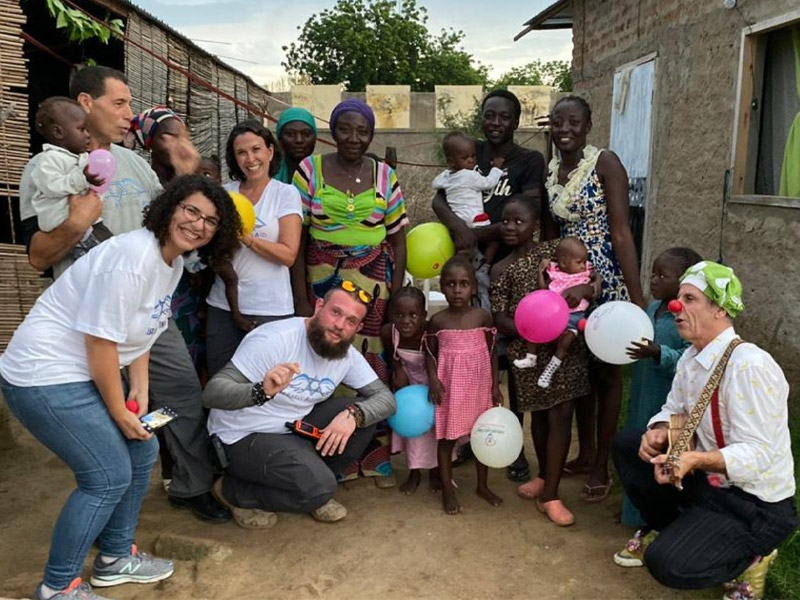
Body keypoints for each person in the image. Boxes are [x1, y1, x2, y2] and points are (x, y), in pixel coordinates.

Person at [0, 175, 240, 600]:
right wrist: (118, 410)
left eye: (210, 220)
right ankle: (58, 586)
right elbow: (100, 341)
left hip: (76, 372)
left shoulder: (172, 263)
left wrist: (140, 393)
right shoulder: (133, 258)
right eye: (191, 210)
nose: (198, 224)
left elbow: (143, 332)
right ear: (169, 207)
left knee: (142, 448)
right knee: (105, 476)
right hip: (43, 375)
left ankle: (113, 558)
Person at [19, 65, 231, 523]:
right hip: (90, 321)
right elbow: (37, 255)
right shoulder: (51, 170)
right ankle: (105, 510)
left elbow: (178, 225)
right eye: (120, 103)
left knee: (180, 399)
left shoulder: (134, 164)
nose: (129, 114)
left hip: (151, 313)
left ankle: (190, 486)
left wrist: (187, 172)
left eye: (131, 104)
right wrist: (78, 223)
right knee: (106, 420)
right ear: (86, 105)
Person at [611, 261, 797, 600]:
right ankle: (675, 526)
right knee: (628, 443)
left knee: (667, 564)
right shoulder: (691, 359)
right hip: (708, 482)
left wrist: (693, 459)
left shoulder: (750, 367)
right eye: (679, 297)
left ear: (721, 310)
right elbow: (676, 410)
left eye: (690, 298)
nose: (675, 306)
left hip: (753, 503)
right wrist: (661, 430)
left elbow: (760, 454)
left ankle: (755, 556)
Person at [203, 284, 396, 528]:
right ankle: (234, 492)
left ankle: (312, 484)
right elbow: (212, 393)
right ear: (319, 307)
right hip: (242, 435)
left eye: (350, 321)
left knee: (361, 415)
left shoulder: (345, 353)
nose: (340, 325)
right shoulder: (275, 339)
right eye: (335, 312)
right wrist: (261, 391)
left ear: (357, 329)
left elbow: (386, 399)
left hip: (291, 431)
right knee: (321, 487)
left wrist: (355, 415)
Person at [432, 89, 546, 482]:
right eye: (489, 115)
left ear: (516, 122)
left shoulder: (529, 161)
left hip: (511, 271)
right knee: (475, 360)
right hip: (471, 269)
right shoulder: (468, 152)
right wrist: (459, 227)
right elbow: (438, 199)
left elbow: (528, 213)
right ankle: (468, 438)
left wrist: (479, 235)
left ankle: (511, 445)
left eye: (504, 117)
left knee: (512, 361)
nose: (495, 123)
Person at [293, 98, 408, 485]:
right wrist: (300, 294)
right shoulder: (309, 171)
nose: (354, 138)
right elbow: (299, 236)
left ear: (371, 135)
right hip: (321, 278)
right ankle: (329, 454)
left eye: (363, 131)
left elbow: (399, 236)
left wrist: (393, 291)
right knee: (326, 356)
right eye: (345, 129)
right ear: (333, 132)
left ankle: (374, 456)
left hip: (374, 283)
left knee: (374, 362)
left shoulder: (384, 175)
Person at [545, 95, 645, 503]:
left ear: (588, 125)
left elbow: (621, 231)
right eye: (558, 122)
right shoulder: (551, 169)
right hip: (569, 283)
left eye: (574, 123)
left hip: (605, 280)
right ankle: (585, 453)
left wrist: (636, 298)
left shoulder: (605, 162)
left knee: (605, 373)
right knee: (578, 373)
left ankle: (602, 462)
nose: (565, 130)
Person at [490, 197, 597, 526]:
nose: (511, 227)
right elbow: (499, 314)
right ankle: (541, 477)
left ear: (535, 225)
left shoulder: (555, 251)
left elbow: (592, 278)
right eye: (505, 221)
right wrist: (528, 328)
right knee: (538, 416)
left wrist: (586, 293)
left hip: (566, 349)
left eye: (519, 221)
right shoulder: (500, 268)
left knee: (561, 416)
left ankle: (551, 493)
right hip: (529, 349)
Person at [205, 120, 303, 375]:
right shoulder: (224, 194)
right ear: (234, 158)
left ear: (270, 151)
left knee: (267, 384)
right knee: (221, 382)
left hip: (270, 309)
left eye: (256, 149)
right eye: (241, 152)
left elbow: (288, 255)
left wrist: (247, 238)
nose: (250, 158)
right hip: (223, 307)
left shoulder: (285, 194)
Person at [619, 247, 700, 527]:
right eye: (652, 273)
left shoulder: (687, 317)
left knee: (662, 457)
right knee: (636, 451)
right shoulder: (652, 310)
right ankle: (634, 517)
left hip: (668, 402)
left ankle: (662, 523)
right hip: (642, 394)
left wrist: (658, 354)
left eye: (661, 275)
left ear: (683, 281)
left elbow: (692, 360)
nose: (653, 280)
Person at [425, 255, 503, 515]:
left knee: (482, 437)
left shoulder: (483, 317)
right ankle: (448, 491)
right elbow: (429, 353)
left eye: (463, 284)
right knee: (447, 439)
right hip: (450, 389)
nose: (457, 290)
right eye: (450, 284)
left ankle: (483, 485)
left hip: (479, 386)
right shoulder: (438, 321)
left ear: (474, 287)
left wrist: (494, 385)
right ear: (441, 286)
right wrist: (434, 381)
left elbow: (492, 352)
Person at [28, 96, 111, 269]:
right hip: (61, 220)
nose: (88, 135)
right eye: (82, 129)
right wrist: (83, 178)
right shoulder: (48, 159)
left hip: (87, 220)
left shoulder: (78, 156)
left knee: (112, 247)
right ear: (58, 132)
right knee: (106, 256)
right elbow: (52, 186)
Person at [432, 131, 504, 308]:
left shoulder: (446, 177)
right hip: (475, 219)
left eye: (473, 156)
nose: (471, 161)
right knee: (494, 238)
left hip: (459, 219)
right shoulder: (470, 175)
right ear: (451, 160)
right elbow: (488, 183)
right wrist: (497, 168)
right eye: (465, 158)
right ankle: (485, 264)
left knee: (464, 249)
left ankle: (470, 262)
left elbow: (435, 183)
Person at [380, 286, 441, 495]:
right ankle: (414, 473)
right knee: (411, 432)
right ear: (390, 315)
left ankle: (435, 471)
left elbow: (435, 359)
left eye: (413, 315)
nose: (406, 320)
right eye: (399, 315)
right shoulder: (389, 332)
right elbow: (392, 358)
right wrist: (398, 370)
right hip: (407, 390)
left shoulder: (429, 331)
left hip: (429, 387)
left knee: (433, 431)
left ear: (424, 315)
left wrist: (434, 383)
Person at [514, 236, 592, 391]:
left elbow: (595, 282)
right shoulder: (555, 273)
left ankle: (550, 370)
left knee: (566, 341)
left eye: (584, 261)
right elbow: (544, 291)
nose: (584, 266)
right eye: (579, 262)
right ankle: (531, 357)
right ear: (563, 263)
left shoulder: (585, 273)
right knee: (533, 328)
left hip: (574, 318)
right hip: (553, 315)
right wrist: (540, 273)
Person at [274, 106, 318, 184]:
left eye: (306, 134)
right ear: (279, 138)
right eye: (290, 134)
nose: (299, 140)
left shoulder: (327, 173)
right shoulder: (266, 174)